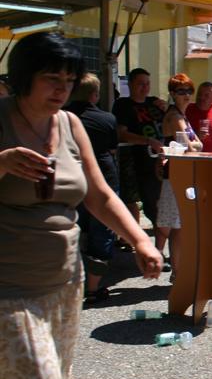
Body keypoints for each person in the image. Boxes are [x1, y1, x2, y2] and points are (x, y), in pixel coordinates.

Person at [0, 31, 163, 379]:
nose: (61, 90)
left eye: (68, 81)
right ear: (23, 76)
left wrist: (139, 239)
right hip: (6, 289)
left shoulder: (70, 124)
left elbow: (97, 193)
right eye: (52, 79)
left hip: (62, 287)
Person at [65, 73, 120, 305]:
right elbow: (112, 149)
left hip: (72, 179)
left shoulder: (60, 118)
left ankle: (72, 283)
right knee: (103, 230)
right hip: (103, 178)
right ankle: (93, 287)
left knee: (75, 228)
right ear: (95, 94)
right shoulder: (106, 119)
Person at [156, 74, 203, 282]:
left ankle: (176, 270)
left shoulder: (183, 116)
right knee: (177, 227)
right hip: (176, 176)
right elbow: (192, 146)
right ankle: (176, 272)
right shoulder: (175, 117)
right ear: (173, 94)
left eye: (189, 91)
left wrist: (195, 146)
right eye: (181, 91)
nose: (186, 96)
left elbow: (197, 145)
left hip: (182, 175)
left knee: (178, 226)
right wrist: (194, 146)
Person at [112, 67, 164, 230]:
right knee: (137, 200)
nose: (145, 87)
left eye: (147, 84)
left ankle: (163, 234)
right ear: (131, 84)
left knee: (158, 200)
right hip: (136, 159)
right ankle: (135, 237)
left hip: (159, 159)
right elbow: (121, 133)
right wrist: (148, 141)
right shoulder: (123, 105)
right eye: (141, 84)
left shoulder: (154, 103)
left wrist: (166, 108)